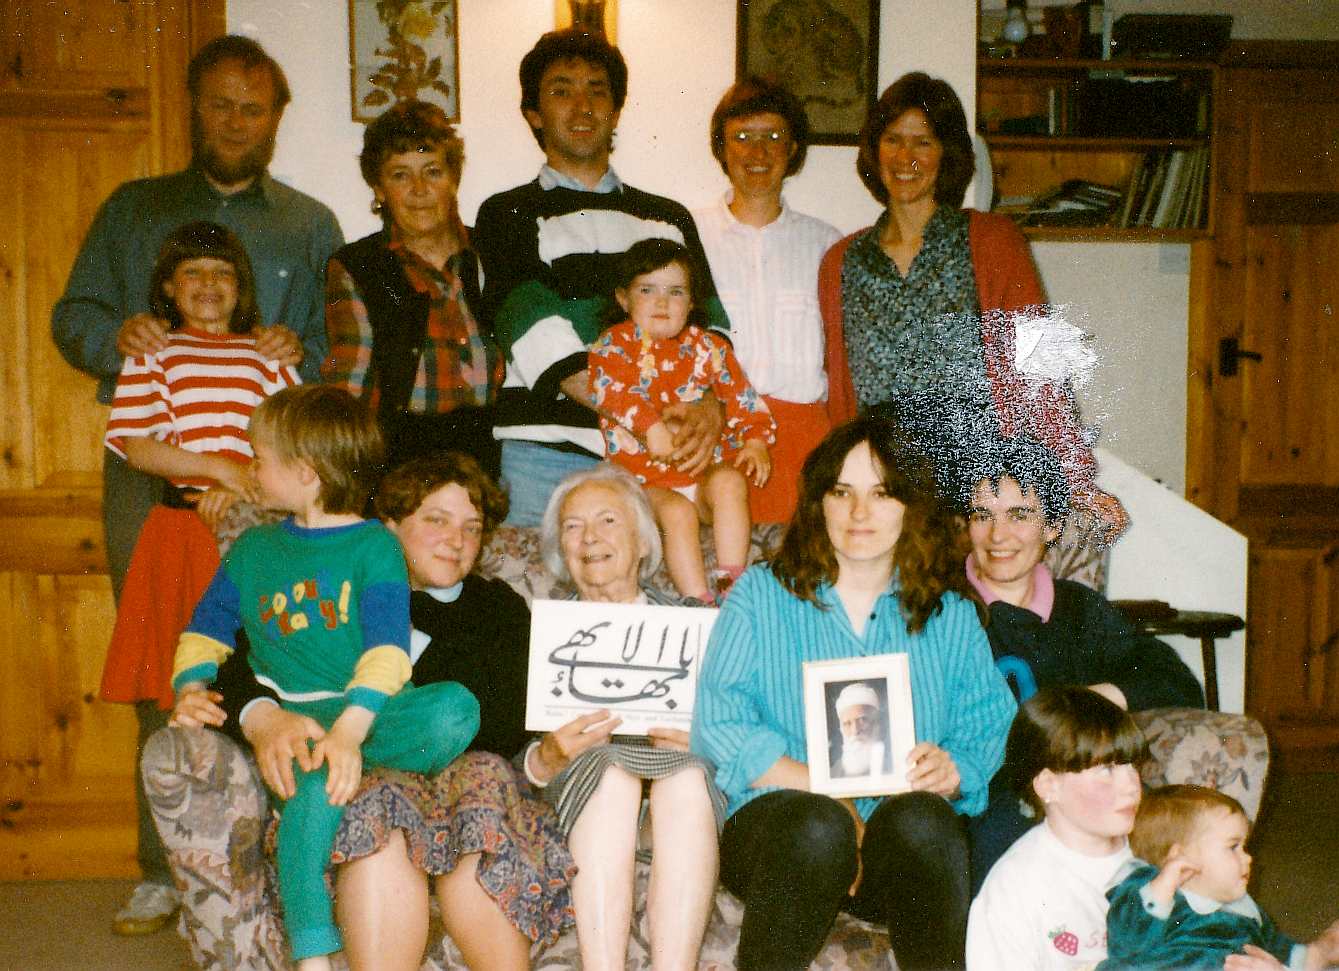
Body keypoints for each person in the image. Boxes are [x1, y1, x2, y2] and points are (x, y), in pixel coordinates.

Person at [50, 34, 342, 933]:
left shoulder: (308, 221)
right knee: (162, 663)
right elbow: (73, 316)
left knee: (271, 646)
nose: (236, 121)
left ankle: (269, 861)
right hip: (155, 480)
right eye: (220, 103)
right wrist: (126, 340)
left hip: (270, 475)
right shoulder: (134, 209)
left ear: (276, 117)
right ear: (193, 106)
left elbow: (336, 348)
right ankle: (159, 864)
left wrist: (302, 352)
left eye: (254, 107)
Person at [171, 452, 575, 971]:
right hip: (352, 783)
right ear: (387, 528)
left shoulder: (497, 608)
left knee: (472, 799)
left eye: (472, 528)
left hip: (457, 771)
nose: (457, 539)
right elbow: (235, 655)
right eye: (436, 520)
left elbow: (503, 718)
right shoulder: (329, 586)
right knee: (376, 822)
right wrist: (264, 714)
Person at [170, 385, 480, 969]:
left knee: (456, 708)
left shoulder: (374, 547)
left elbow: (388, 653)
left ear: (306, 473)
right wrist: (189, 685)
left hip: (373, 712)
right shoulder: (252, 549)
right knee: (312, 793)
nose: (252, 469)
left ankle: (349, 762)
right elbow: (205, 629)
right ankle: (314, 957)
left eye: (260, 458)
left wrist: (351, 734)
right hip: (300, 727)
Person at [693, 414, 1018, 971]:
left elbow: (989, 724)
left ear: (912, 507)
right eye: (841, 493)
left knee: (926, 820)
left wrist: (955, 769)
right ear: (820, 502)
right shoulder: (760, 595)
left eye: (881, 494)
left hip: (895, 836)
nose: (858, 514)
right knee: (819, 826)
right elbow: (720, 723)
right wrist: (831, 793)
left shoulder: (951, 615)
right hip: (782, 830)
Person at [816, 71, 1125, 537]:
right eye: (893, 140)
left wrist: (1076, 479)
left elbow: (1039, 364)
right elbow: (840, 397)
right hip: (879, 485)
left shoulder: (993, 241)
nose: (905, 158)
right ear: (874, 151)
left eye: (923, 142)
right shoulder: (840, 262)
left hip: (973, 480)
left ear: (947, 154)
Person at [473, 28, 730, 526]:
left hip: (658, 463)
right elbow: (532, 328)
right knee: (537, 603)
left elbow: (709, 325)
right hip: (547, 459)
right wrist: (648, 417)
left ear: (615, 109)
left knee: (656, 601)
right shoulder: (507, 214)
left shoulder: (668, 217)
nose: (583, 105)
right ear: (533, 114)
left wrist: (710, 406)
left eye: (597, 89)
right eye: (561, 90)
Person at [959, 435, 1204, 890]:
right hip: (995, 801)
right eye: (982, 516)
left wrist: (1100, 696)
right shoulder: (946, 610)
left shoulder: (1078, 609)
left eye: (1020, 515)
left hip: (1090, 787)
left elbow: (1175, 680)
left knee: (1178, 848)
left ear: (1051, 526)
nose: (998, 536)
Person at [530, 463, 724, 971]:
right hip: (589, 789)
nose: (589, 537)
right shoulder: (540, 632)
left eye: (608, 521)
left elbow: (744, 726)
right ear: (560, 549)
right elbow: (512, 748)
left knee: (685, 772)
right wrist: (545, 756)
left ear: (643, 543)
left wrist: (704, 738)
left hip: (680, 788)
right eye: (573, 527)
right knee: (610, 772)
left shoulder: (694, 626)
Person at [100, 221, 298, 714]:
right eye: (192, 272)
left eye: (222, 273)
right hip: (181, 533)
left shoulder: (265, 354)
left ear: (240, 287)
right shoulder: (154, 351)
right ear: (169, 286)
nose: (208, 284)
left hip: (258, 527)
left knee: (255, 673)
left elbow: (295, 446)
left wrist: (240, 487)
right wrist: (219, 470)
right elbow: (137, 446)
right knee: (182, 681)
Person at [323, 100, 502, 477]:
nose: (419, 190)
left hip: (493, 463)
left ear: (453, 178)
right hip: (399, 466)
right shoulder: (357, 266)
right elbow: (351, 385)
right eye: (401, 175)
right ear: (379, 188)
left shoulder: (491, 253)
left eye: (433, 172)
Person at [590, 238, 774, 602]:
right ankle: (699, 602)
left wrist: (755, 440)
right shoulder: (612, 345)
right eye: (647, 290)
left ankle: (732, 587)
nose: (662, 302)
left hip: (700, 475)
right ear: (623, 299)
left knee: (730, 482)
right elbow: (609, 393)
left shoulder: (709, 348)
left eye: (675, 292)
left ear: (691, 303)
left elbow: (740, 395)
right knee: (677, 514)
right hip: (643, 482)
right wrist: (650, 427)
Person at [694, 77, 842, 523]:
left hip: (806, 439)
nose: (757, 154)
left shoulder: (827, 245)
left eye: (773, 137)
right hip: (718, 436)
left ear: (793, 148)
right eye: (742, 137)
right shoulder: (689, 235)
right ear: (721, 148)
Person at [966, 686, 1144, 971]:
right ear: (1049, 786)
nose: (1131, 786)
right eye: (1107, 770)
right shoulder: (1014, 888)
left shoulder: (1157, 846)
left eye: (1132, 765)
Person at [1102, 785, 1339, 971]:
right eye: (1233, 847)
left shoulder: (1240, 905)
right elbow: (1125, 945)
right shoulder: (1146, 891)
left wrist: (1311, 956)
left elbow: (1271, 944)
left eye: (1244, 847)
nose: (1248, 858)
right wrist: (1162, 888)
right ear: (1181, 857)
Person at [829, 682, 892, 779]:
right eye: (847, 724)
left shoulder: (895, 767)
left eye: (862, 720)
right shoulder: (832, 775)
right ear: (841, 729)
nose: (855, 731)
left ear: (877, 723)